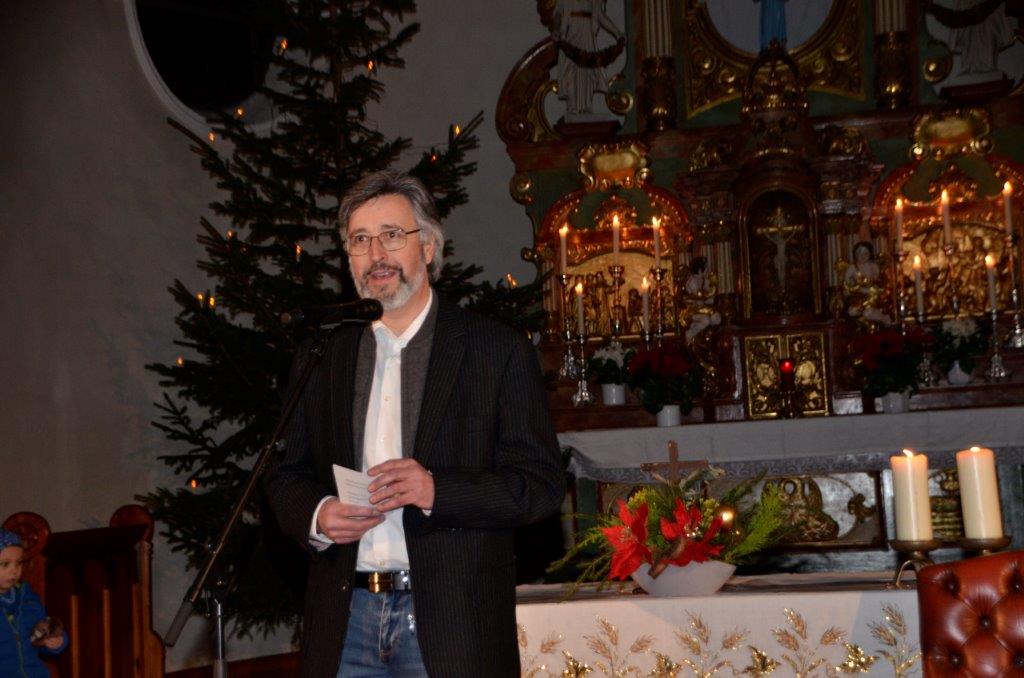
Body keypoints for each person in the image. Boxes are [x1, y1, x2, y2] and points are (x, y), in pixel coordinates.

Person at [265, 170, 565, 678]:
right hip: (346, 620)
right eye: (360, 240)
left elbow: (539, 486)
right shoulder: (325, 354)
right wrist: (317, 515)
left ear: (427, 247)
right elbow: (283, 473)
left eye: (391, 235)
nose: (376, 254)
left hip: (453, 624)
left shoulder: (494, 350)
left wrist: (435, 490)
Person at [0, 529, 68, 678]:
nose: (14, 571)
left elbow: (40, 633)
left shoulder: (28, 599)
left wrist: (54, 640)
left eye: (19, 563)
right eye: (5, 564)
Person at [841, 241, 891, 327]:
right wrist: (848, 289)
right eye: (859, 253)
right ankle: (866, 319)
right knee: (852, 312)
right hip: (859, 296)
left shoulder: (873, 266)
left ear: (870, 254)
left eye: (865, 253)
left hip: (872, 295)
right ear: (855, 254)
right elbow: (846, 283)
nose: (862, 256)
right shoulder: (852, 267)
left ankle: (884, 318)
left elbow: (879, 282)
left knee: (868, 313)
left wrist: (876, 288)